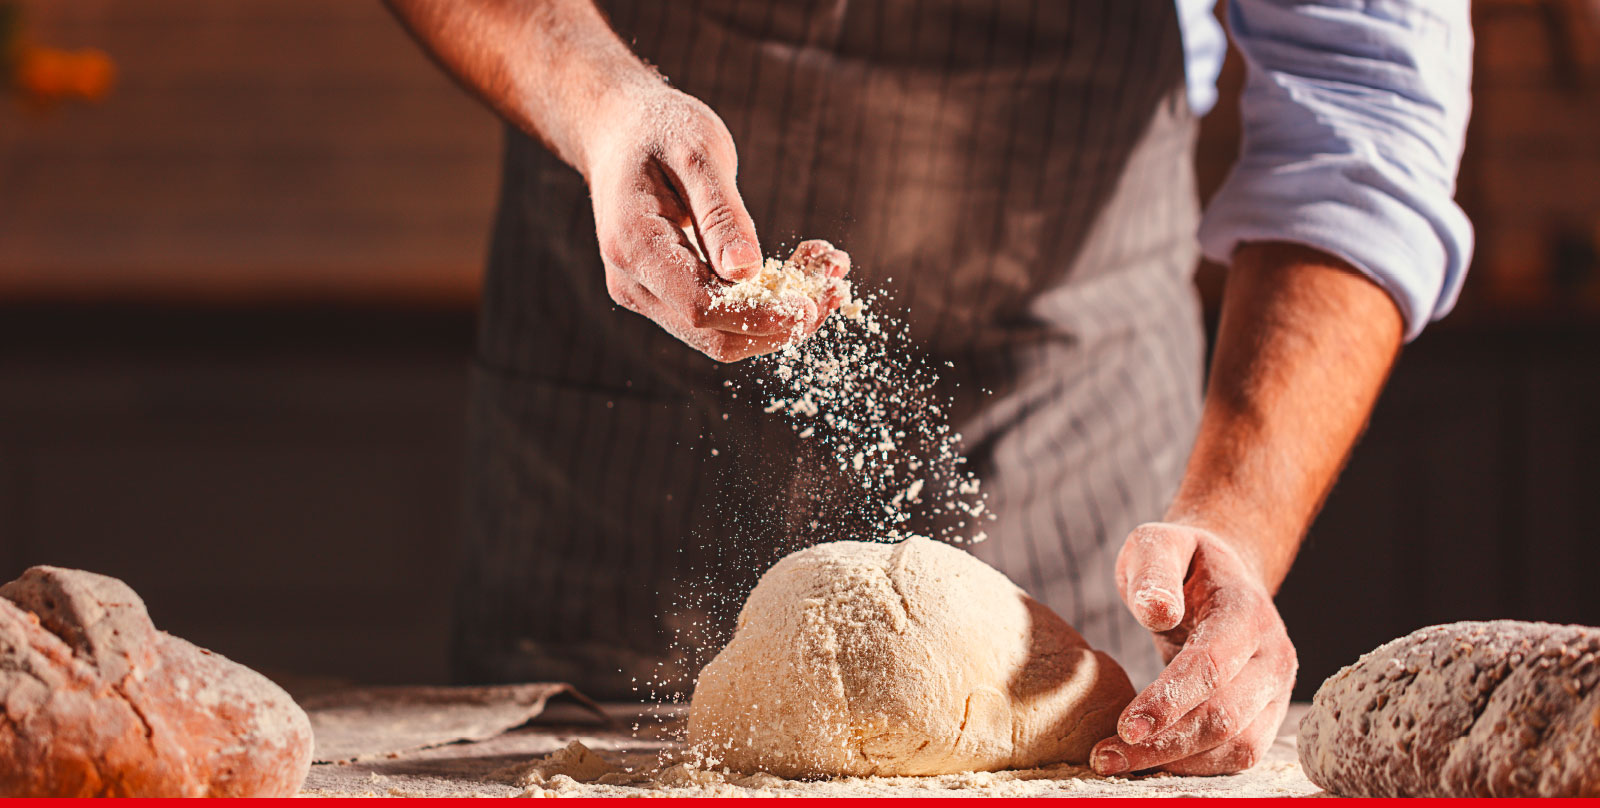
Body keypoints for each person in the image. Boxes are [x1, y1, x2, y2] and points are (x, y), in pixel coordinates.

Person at [385, 0, 1472, 776]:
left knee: (1071, 745)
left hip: (1069, 418)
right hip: (616, 413)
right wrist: (602, 100)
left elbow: (1364, 114)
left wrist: (1232, 523)